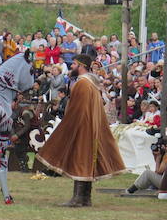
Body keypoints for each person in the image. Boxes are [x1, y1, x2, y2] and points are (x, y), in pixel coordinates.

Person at [36, 54, 125, 207]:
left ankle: (78, 198)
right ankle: (85, 198)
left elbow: (78, 109)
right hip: (91, 127)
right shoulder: (91, 84)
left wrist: (70, 126)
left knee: (80, 160)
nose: (71, 67)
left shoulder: (83, 84)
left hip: (83, 127)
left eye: (74, 64)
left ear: (81, 65)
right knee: (86, 160)